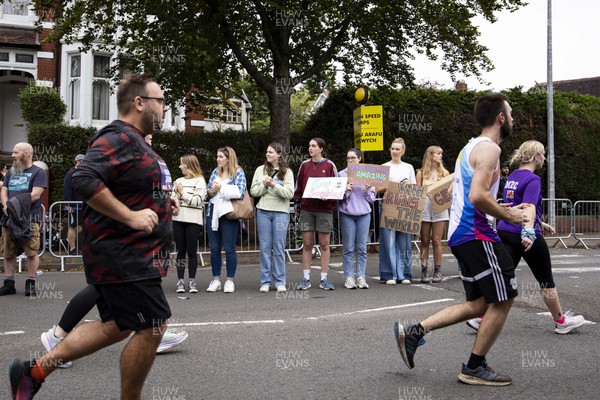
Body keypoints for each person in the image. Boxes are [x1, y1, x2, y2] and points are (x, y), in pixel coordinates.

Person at [9, 73, 179, 400]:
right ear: (139, 102)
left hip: (132, 255)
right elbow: (85, 178)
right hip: (124, 256)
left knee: (116, 325)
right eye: (160, 101)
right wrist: (130, 215)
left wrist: (160, 199)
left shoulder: (137, 142)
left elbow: (125, 185)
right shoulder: (118, 137)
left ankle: (33, 372)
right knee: (153, 325)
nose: (164, 108)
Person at [394, 93, 527, 386]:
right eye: (512, 113)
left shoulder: (469, 147)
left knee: (481, 304)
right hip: (476, 233)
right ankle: (474, 367)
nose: (514, 118)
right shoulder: (490, 149)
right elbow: (476, 195)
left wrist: (505, 209)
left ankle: (414, 331)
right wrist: (508, 216)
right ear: (501, 117)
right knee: (505, 297)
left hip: (461, 234)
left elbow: (465, 193)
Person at [465, 140, 584, 334]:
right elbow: (528, 206)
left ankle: (481, 317)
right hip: (526, 235)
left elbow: (517, 205)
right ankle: (561, 321)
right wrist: (530, 232)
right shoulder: (533, 179)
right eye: (543, 155)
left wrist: (540, 222)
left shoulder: (512, 176)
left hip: (506, 230)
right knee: (546, 280)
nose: (544, 158)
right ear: (536, 157)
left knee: (502, 277)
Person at [0, 142, 48, 296]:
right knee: (8, 251)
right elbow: (4, 191)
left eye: (15, 152)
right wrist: (6, 205)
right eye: (12, 152)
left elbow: (35, 195)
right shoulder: (10, 172)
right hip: (9, 218)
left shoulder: (38, 173)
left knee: (31, 251)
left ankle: (31, 283)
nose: (12, 155)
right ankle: (9, 284)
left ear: (26, 153)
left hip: (30, 218)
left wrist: (13, 205)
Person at [293, 138, 338, 290]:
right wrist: (297, 202)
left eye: (313, 146)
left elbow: (337, 187)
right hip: (307, 210)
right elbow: (298, 185)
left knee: (324, 244)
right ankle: (306, 278)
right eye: (309, 145)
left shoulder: (330, 165)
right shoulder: (304, 165)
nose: (310, 148)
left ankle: (324, 278)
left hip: (324, 210)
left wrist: (329, 195)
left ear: (321, 149)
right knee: (307, 244)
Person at [250, 143, 294, 293]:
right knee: (265, 247)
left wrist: (274, 185)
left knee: (279, 247)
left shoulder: (287, 172)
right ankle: (265, 281)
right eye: (267, 152)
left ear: (279, 154)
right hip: (263, 211)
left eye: (271, 152)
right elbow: (254, 191)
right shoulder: (259, 170)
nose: (267, 154)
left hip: (281, 212)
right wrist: (265, 186)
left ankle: (280, 281)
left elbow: (289, 193)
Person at [205, 146, 247, 293]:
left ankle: (230, 280)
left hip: (229, 214)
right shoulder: (215, 172)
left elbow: (240, 193)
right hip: (213, 212)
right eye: (217, 156)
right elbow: (208, 192)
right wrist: (211, 191)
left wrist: (220, 189)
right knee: (214, 248)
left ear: (229, 158)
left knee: (229, 248)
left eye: (221, 157)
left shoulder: (238, 172)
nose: (218, 159)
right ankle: (215, 279)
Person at [377, 137, 416, 285]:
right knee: (388, 241)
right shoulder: (384, 166)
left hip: (405, 207)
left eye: (397, 149)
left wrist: (408, 184)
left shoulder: (409, 167)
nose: (394, 151)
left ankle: (404, 273)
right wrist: (389, 185)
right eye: (392, 149)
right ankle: (389, 274)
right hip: (388, 205)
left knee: (404, 241)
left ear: (403, 151)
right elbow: (377, 189)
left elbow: (415, 189)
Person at [337, 148, 376, 289]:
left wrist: (366, 192)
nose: (350, 160)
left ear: (359, 159)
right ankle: (348, 277)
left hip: (364, 214)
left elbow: (372, 198)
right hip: (347, 214)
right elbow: (338, 197)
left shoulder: (367, 174)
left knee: (361, 247)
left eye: (352, 158)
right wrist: (346, 189)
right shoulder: (342, 174)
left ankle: (361, 276)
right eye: (348, 158)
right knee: (348, 247)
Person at [171, 154, 207, 293]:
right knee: (180, 251)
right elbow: (173, 200)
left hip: (193, 220)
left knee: (192, 251)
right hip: (178, 219)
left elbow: (197, 201)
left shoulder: (200, 181)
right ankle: (180, 281)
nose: (180, 166)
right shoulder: (178, 180)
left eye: (181, 164)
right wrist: (177, 195)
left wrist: (182, 193)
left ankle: (192, 280)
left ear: (188, 165)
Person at [416, 146, 450, 283]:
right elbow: (417, 193)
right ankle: (424, 270)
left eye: (441, 153)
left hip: (439, 209)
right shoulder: (421, 173)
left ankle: (438, 269)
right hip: (425, 208)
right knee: (424, 241)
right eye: (438, 153)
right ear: (430, 155)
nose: (441, 156)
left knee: (436, 241)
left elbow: (449, 193)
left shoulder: (445, 173)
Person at [63, 154, 85, 255]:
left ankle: (69, 239)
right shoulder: (70, 174)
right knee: (73, 226)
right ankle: (72, 248)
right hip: (74, 205)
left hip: (82, 205)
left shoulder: (84, 173)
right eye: (82, 161)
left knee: (80, 227)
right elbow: (67, 189)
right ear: (78, 162)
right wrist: (68, 204)